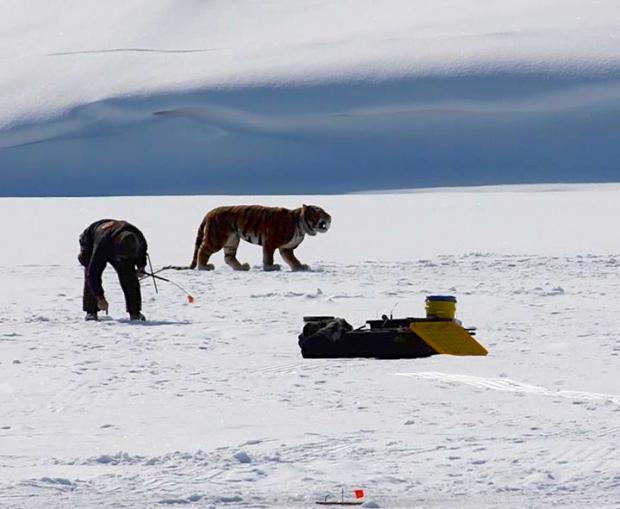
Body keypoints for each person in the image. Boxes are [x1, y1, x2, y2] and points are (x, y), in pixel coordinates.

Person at [78, 219, 148, 321]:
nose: (123, 259)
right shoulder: (102, 245)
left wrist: (141, 266)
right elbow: (92, 274)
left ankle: (135, 312)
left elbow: (142, 253)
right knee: (90, 269)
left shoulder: (139, 238)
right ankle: (91, 311)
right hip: (91, 240)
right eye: (122, 256)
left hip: (113, 241)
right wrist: (100, 298)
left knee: (129, 275)